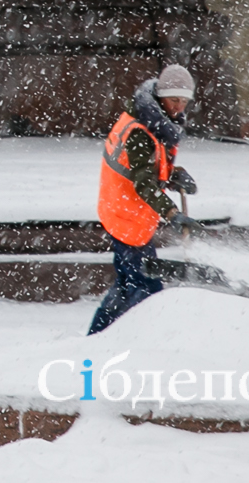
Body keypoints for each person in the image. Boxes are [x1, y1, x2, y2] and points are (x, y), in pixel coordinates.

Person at [88, 64, 200, 334]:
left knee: (129, 284)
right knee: (146, 287)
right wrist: (172, 214)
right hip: (126, 215)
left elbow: (148, 167)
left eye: (184, 101)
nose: (179, 107)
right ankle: (139, 338)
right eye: (174, 100)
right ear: (161, 96)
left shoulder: (154, 122)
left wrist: (174, 175)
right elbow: (143, 184)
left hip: (127, 213)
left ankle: (98, 336)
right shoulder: (141, 131)